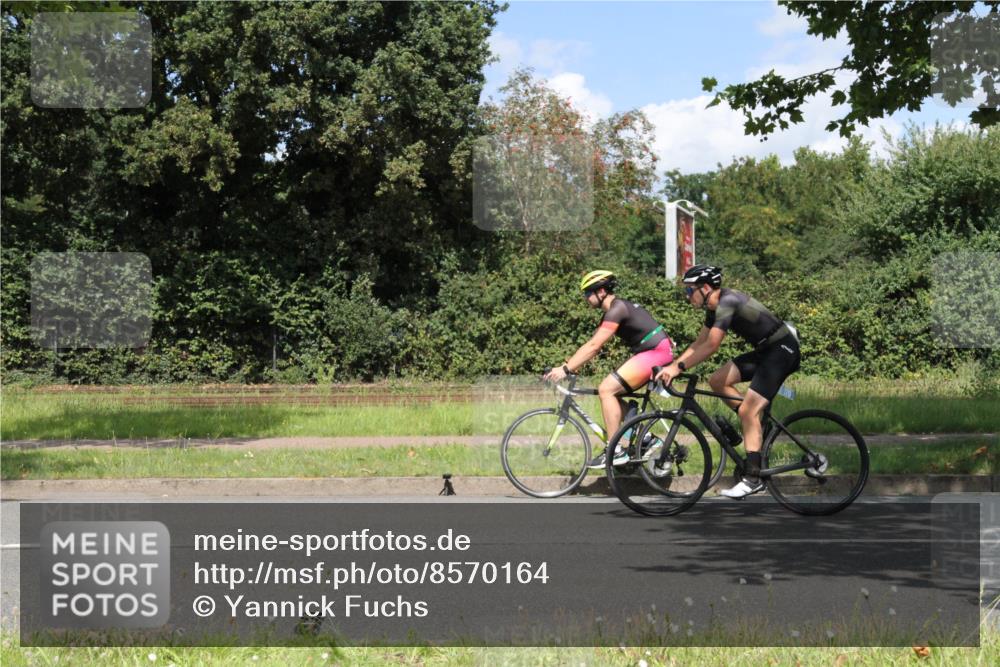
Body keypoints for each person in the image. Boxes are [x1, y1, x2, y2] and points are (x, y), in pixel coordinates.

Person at [654, 264, 800, 498]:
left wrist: (679, 368)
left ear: (706, 288)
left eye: (690, 290)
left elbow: (711, 346)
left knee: (748, 412)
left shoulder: (727, 302)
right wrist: (673, 367)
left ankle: (753, 478)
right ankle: (753, 424)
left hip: (782, 351)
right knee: (717, 380)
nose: (687, 295)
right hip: (766, 351)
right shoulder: (713, 308)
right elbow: (698, 344)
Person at [544, 270, 674, 468]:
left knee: (606, 389)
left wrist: (566, 369)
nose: (586, 298)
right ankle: (645, 437)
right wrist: (568, 365)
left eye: (588, 293)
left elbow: (594, 346)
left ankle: (615, 450)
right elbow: (592, 345)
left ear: (601, 291)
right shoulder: (613, 311)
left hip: (656, 352)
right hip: (650, 352)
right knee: (610, 392)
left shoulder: (617, 308)